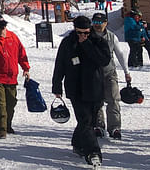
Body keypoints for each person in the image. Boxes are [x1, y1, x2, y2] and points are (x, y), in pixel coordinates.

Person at [52, 15, 111, 167]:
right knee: (85, 120)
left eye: (86, 32)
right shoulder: (67, 43)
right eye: (80, 33)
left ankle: (77, 143)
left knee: (89, 121)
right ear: (75, 30)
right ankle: (93, 153)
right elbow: (59, 65)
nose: (83, 36)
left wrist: (87, 45)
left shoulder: (98, 42)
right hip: (75, 89)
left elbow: (104, 60)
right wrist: (56, 86)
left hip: (94, 88)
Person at [0, 13, 30, 139]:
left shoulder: (12, 36)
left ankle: (7, 125)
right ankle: (0, 129)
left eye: (4, 26)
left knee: (11, 103)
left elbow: (21, 52)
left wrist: (25, 67)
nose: (3, 29)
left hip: (11, 76)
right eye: (0, 26)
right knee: (0, 104)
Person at [90, 12, 130, 140]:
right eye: (95, 22)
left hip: (109, 72)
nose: (97, 25)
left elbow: (120, 54)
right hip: (93, 74)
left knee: (113, 99)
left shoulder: (112, 37)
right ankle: (98, 126)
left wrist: (126, 72)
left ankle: (115, 128)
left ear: (106, 23)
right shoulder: (88, 36)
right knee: (97, 101)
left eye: (100, 22)